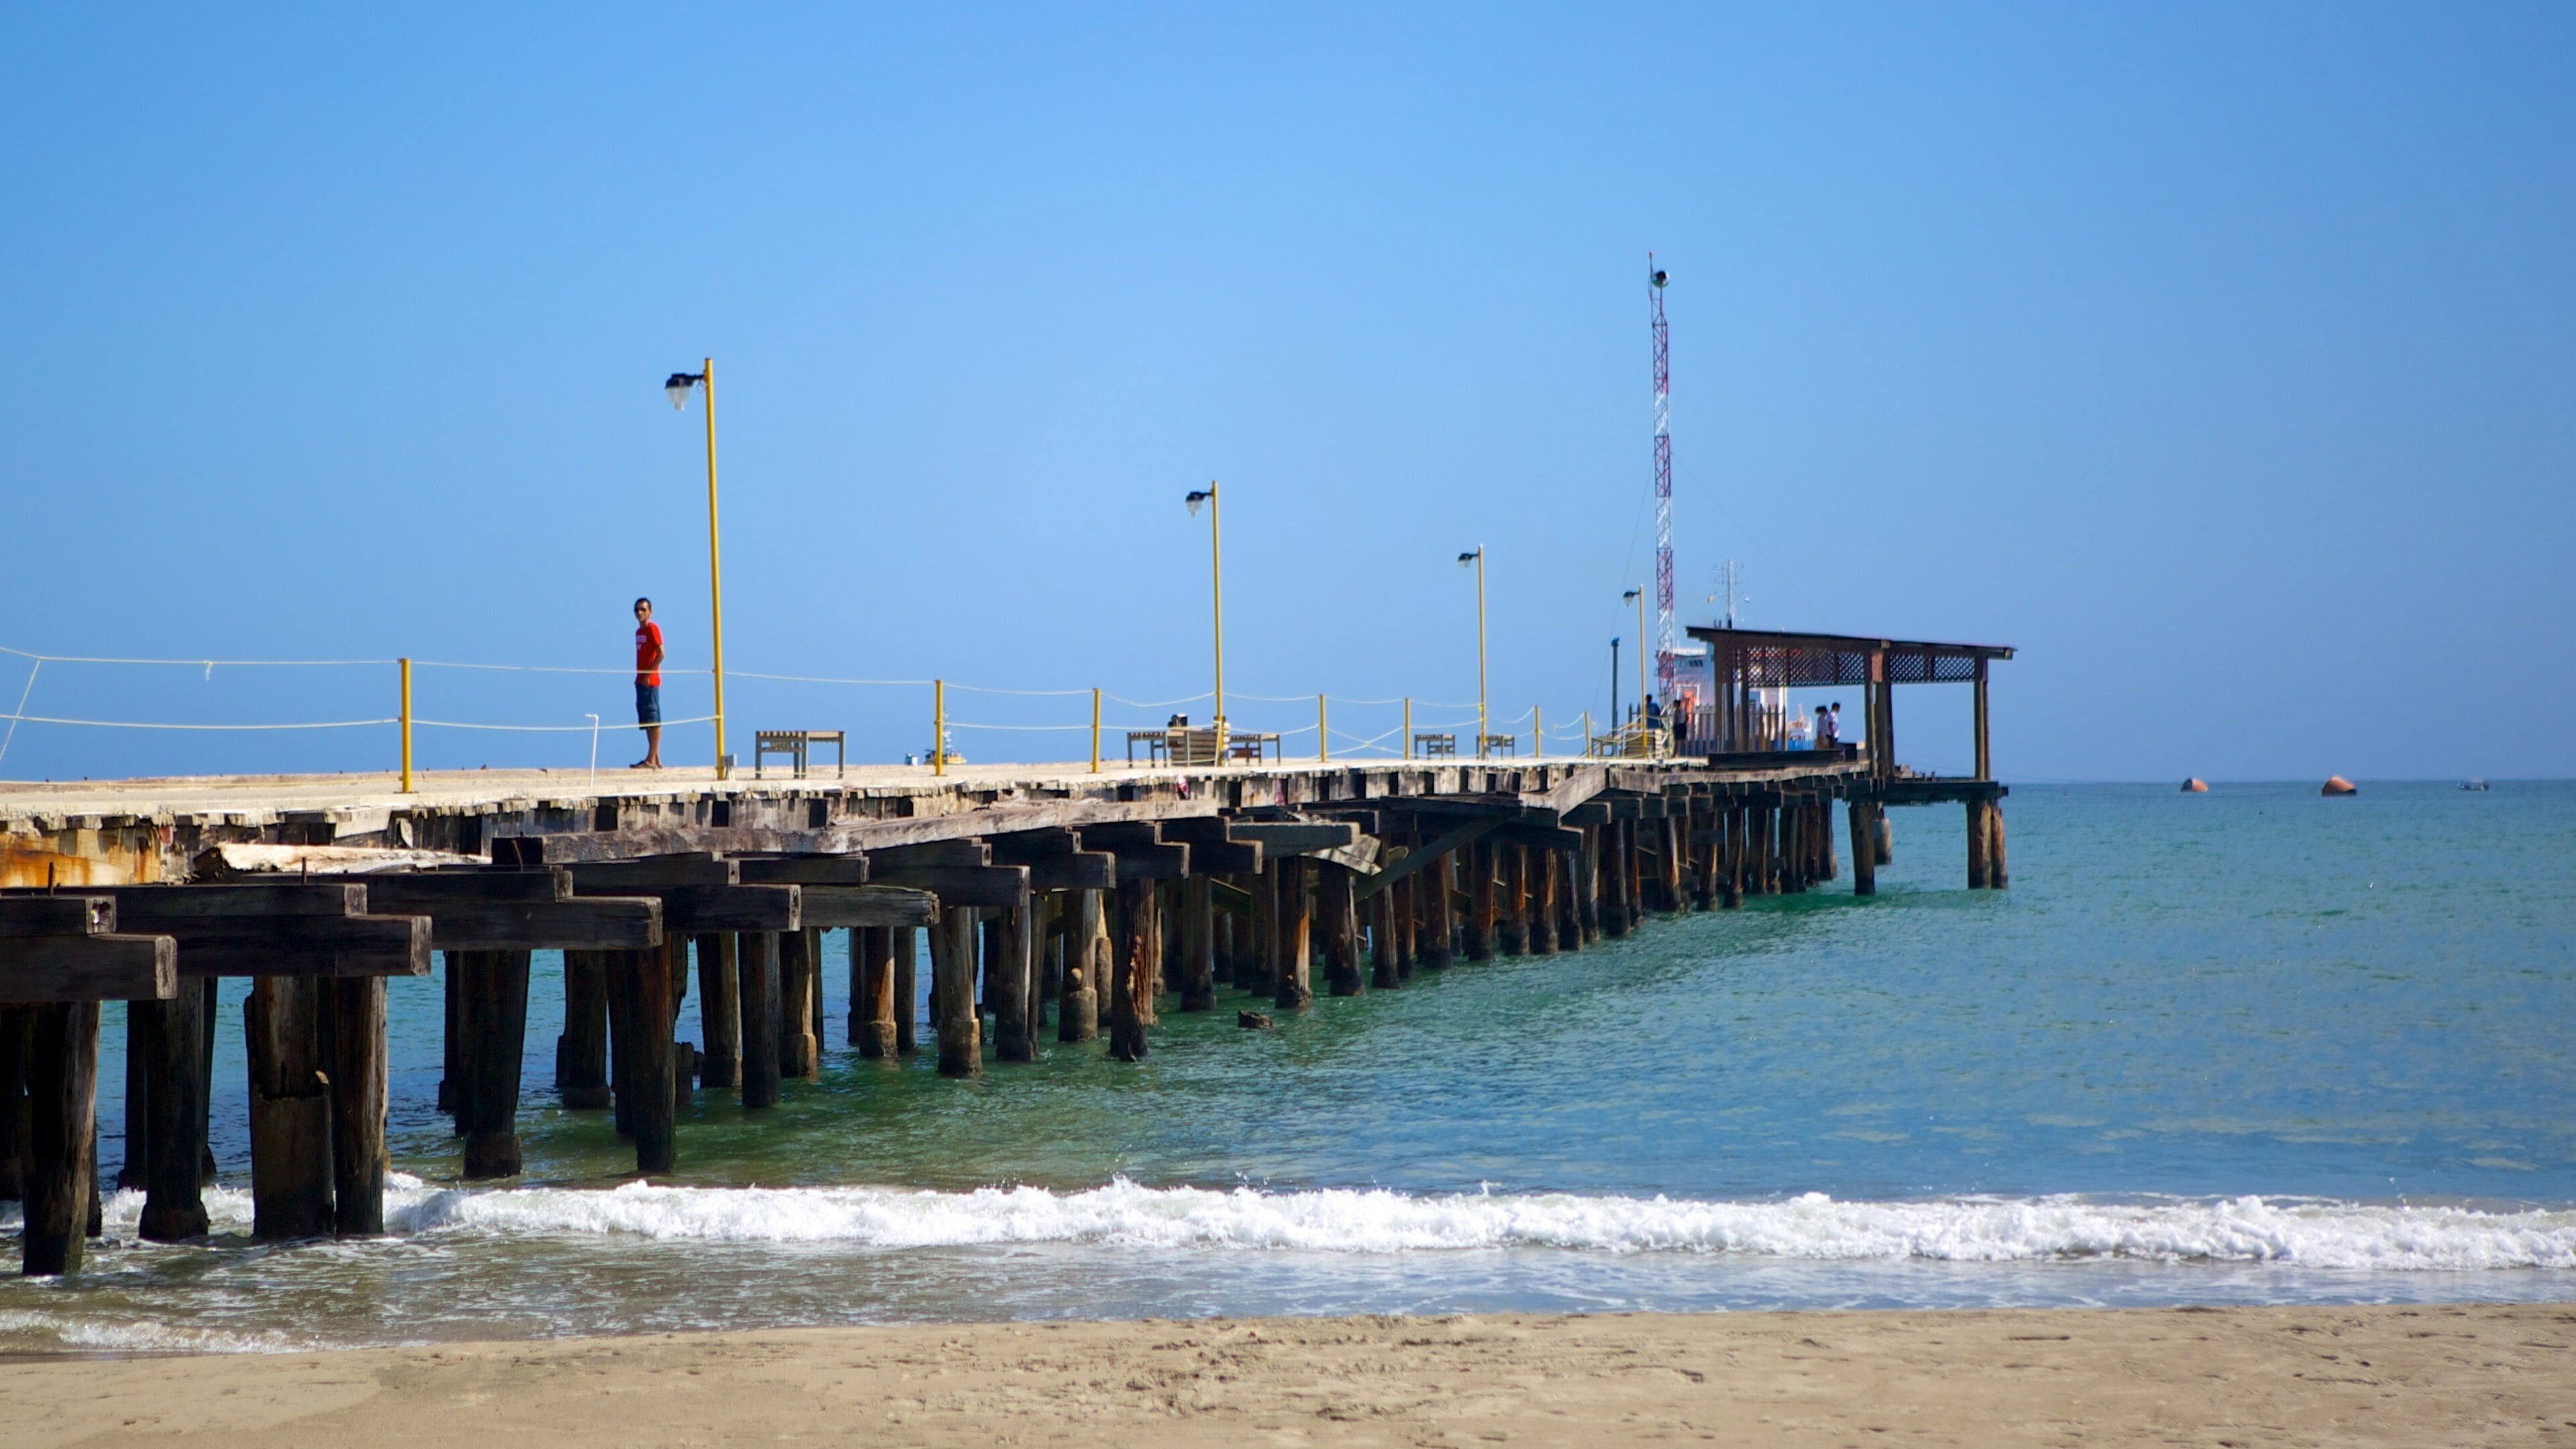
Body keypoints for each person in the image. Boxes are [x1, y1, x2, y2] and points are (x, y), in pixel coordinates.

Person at [632, 597, 665, 769]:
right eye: (637, 610)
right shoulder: (639, 632)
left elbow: (661, 654)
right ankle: (656, 759)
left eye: (643, 610)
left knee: (654, 718)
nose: (640, 613)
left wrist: (648, 674)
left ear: (650, 611)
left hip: (650, 681)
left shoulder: (653, 628)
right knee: (646, 721)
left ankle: (651, 759)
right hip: (640, 681)